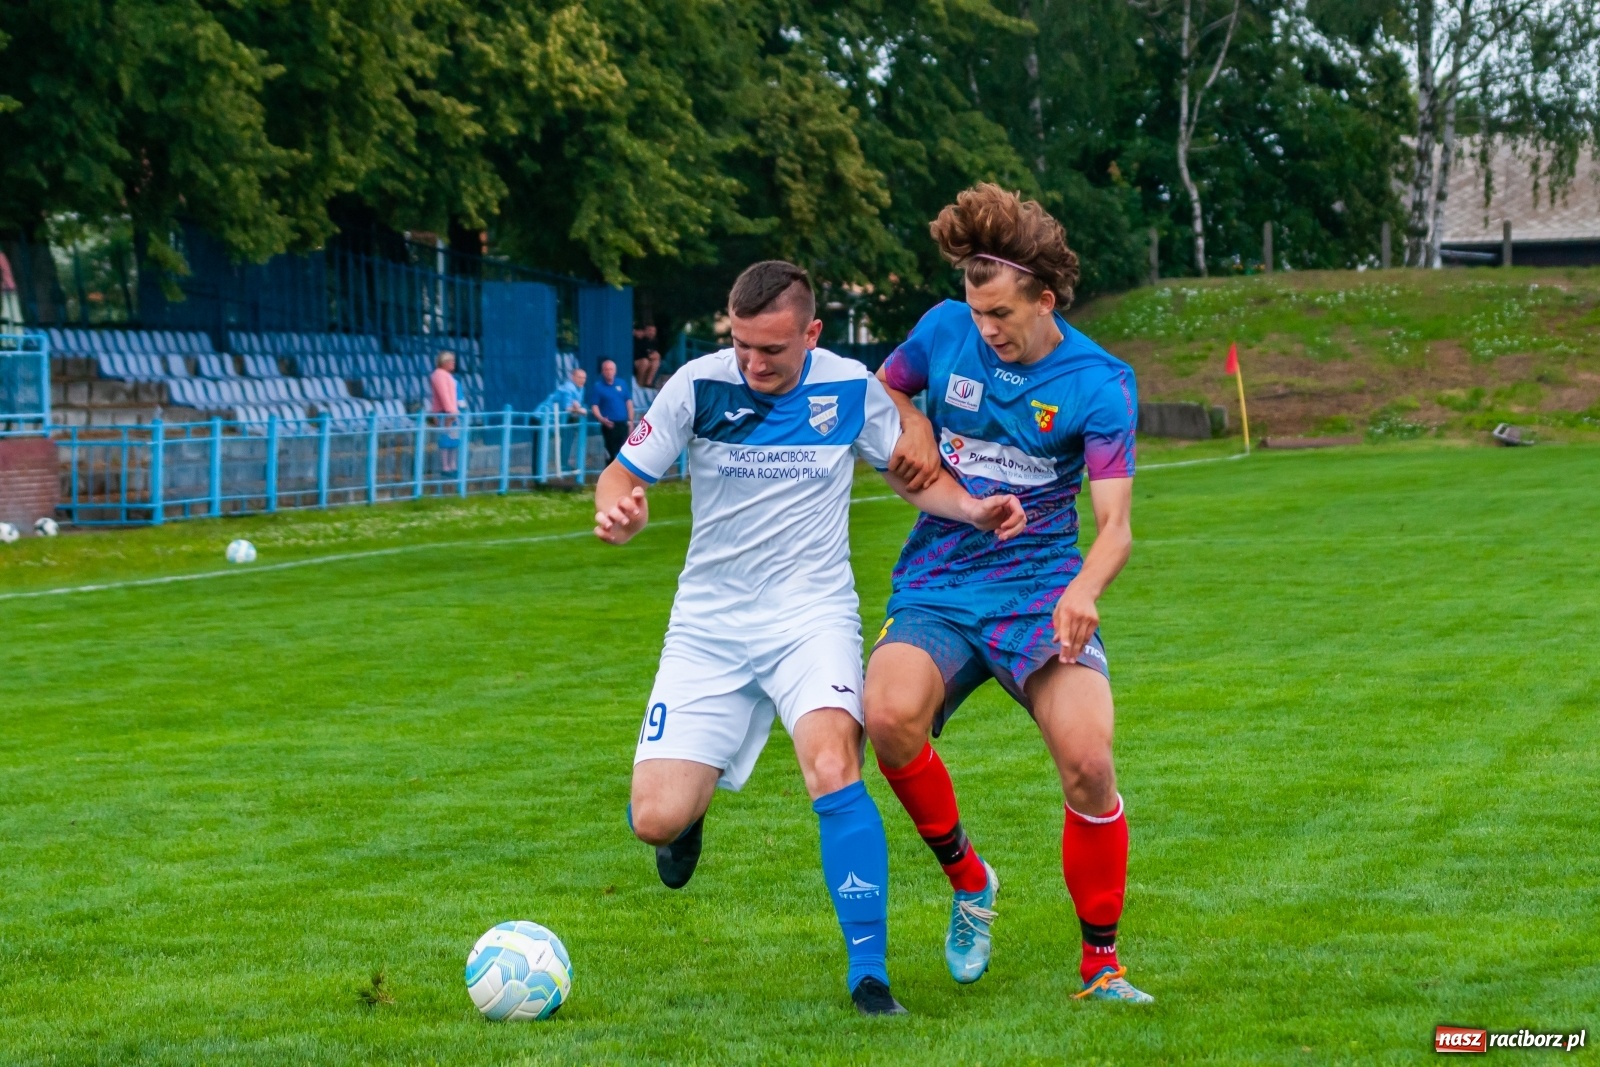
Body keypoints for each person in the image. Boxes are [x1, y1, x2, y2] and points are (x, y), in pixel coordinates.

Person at [592, 260, 1025, 1016]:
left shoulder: (848, 387)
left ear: (812, 334)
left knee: (832, 761)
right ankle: (685, 820)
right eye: (743, 346)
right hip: (708, 626)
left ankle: (870, 974)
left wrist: (975, 509)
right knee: (652, 816)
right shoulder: (697, 384)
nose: (754, 364)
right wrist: (621, 511)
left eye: (772, 351)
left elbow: (912, 473)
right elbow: (623, 472)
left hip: (811, 616)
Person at [864, 184, 1152, 1003]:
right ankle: (969, 880)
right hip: (942, 577)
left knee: (1091, 763)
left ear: (1045, 297)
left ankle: (1101, 965)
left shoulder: (1101, 382)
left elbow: (1116, 524)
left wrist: (1087, 587)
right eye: (975, 307)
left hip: (1039, 591)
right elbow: (881, 393)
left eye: (1000, 314)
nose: (985, 329)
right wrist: (912, 422)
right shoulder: (943, 331)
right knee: (885, 718)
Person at [541, 366, 588, 473]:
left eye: (584, 378)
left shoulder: (581, 389)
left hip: (562, 420)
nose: (582, 380)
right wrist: (580, 410)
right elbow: (568, 408)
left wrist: (577, 408)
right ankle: (542, 474)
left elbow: (575, 405)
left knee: (567, 440)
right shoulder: (569, 388)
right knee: (542, 444)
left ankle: (563, 465)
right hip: (545, 418)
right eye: (579, 377)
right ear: (573, 377)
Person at [586, 358, 633, 463]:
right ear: (602, 372)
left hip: (623, 423)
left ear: (615, 371)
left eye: (611, 369)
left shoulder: (622, 383)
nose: (609, 372)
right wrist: (601, 419)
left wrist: (630, 420)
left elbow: (628, 402)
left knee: (625, 453)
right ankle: (610, 476)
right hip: (609, 424)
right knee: (611, 453)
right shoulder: (598, 387)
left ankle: (623, 477)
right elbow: (594, 406)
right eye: (606, 369)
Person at [429, 349, 461, 476]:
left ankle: (452, 465)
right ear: (444, 362)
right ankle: (445, 466)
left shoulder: (447, 375)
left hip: (451, 411)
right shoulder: (439, 375)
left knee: (453, 439)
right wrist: (450, 411)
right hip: (445, 412)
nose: (453, 363)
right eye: (451, 361)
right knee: (445, 438)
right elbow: (444, 395)